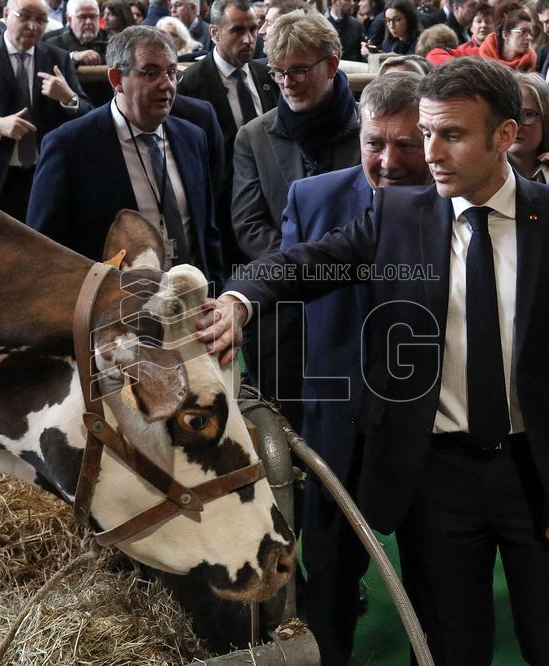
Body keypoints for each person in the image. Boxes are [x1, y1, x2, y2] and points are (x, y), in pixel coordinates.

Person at [201, 55, 549, 666]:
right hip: (436, 482)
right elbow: (305, 262)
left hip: (541, 477)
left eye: (451, 135)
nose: (429, 153)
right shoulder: (398, 216)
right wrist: (242, 299)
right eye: (426, 133)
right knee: (447, 649)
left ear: (505, 135)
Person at [286, 71, 431, 666]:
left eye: (406, 144)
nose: (389, 160)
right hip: (333, 428)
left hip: (431, 435)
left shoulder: (459, 205)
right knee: (329, 588)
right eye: (376, 143)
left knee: (438, 585)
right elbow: (288, 318)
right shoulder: (312, 198)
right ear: (359, 138)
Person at [231, 10, 360, 428]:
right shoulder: (253, 136)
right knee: (286, 424)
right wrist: (302, 270)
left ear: (332, 64)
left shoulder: (370, 134)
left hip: (357, 305)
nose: (287, 83)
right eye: (278, 72)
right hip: (281, 311)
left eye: (299, 70)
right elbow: (248, 223)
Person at [26, 26, 225, 283]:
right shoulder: (69, 146)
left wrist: (215, 292)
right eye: (151, 73)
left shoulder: (193, 137)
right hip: (115, 311)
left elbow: (207, 232)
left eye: (172, 73)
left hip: (194, 304)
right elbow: (45, 248)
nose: (167, 84)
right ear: (117, 79)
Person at [0, 0, 92, 221]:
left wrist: (68, 98)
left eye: (41, 20)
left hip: (43, 174)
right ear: (6, 15)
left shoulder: (57, 58)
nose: (33, 26)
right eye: (24, 16)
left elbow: (87, 114)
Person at [176, 0, 278, 266]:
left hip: (271, 203)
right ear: (214, 33)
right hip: (221, 210)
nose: (249, 39)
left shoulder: (268, 75)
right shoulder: (191, 84)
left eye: (254, 29)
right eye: (237, 30)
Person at [508, 72, 549, 181]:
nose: (516, 125)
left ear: (546, 119)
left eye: (527, 114)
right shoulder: (482, 173)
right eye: (509, 114)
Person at [43, 0, 105, 64]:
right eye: (82, 17)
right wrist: (72, 56)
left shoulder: (110, 39)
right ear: (69, 19)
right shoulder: (51, 43)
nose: (88, 22)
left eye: (93, 16)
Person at [479, 1, 537, 69]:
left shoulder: (531, 62)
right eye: (523, 31)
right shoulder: (482, 59)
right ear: (505, 35)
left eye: (530, 33)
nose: (529, 37)